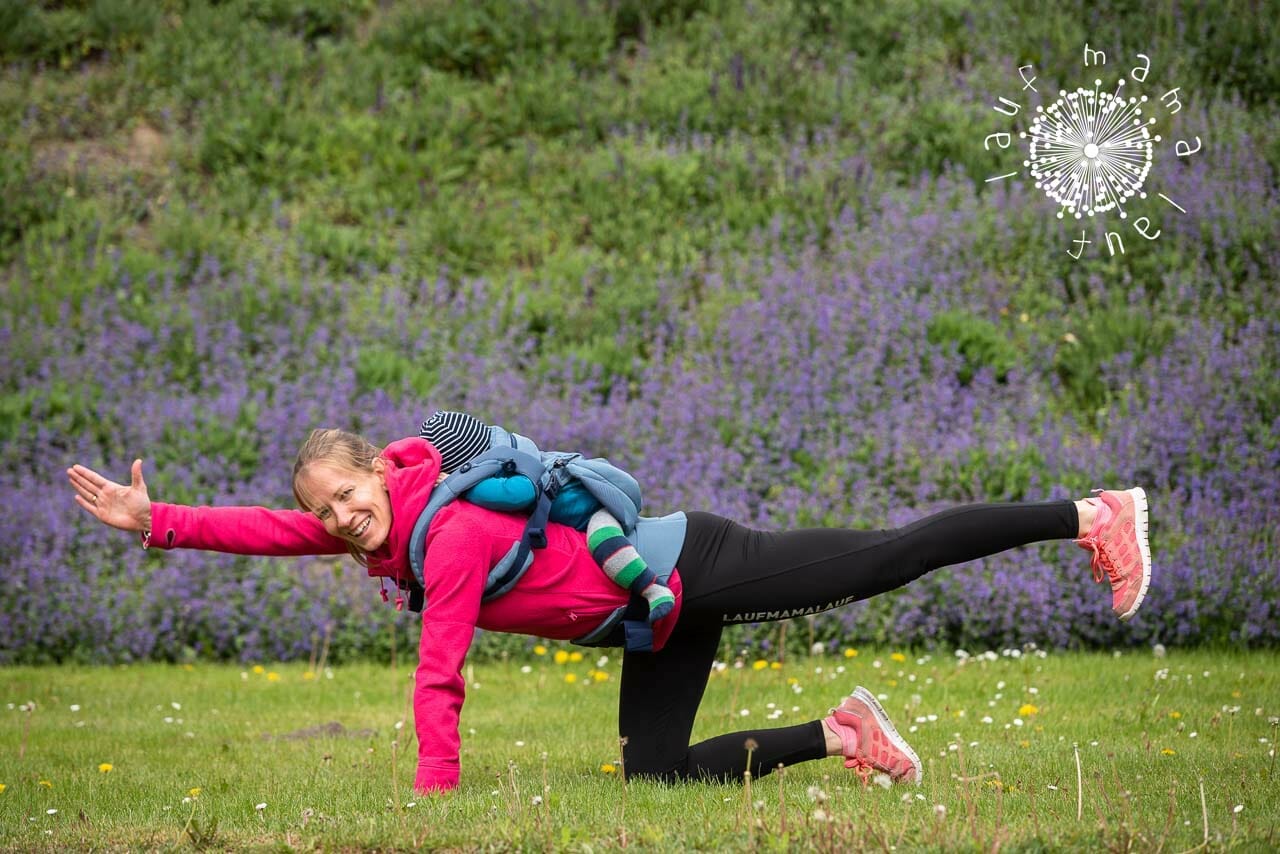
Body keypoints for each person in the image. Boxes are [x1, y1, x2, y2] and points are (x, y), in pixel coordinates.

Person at [67, 429, 1150, 792]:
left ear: (381, 477)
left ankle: (1088, 511)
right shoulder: (380, 532)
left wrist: (434, 797)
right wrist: (154, 519)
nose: (341, 519)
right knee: (655, 772)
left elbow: (439, 667)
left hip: (696, 564)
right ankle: (841, 732)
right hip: (653, 620)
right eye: (328, 510)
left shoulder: (442, 533)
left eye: (351, 496)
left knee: (882, 554)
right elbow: (264, 525)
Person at [418, 410, 674, 624]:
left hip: (594, 509)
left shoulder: (510, 470)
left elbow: (520, 495)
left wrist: (461, 485)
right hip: (571, 518)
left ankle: (652, 587)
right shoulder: (501, 461)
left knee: (604, 542)